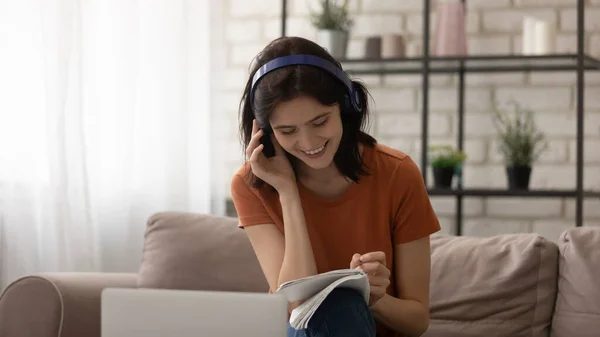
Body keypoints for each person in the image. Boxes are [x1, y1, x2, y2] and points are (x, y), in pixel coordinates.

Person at [230, 36, 441, 337]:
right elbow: (295, 303)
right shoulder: (250, 185)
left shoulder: (397, 173)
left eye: (320, 122)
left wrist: (374, 298)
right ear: (265, 132)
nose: (308, 143)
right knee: (328, 306)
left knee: (341, 303)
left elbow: (417, 320)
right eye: (287, 131)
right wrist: (288, 192)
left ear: (345, 106)